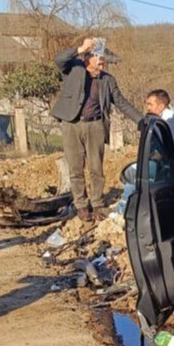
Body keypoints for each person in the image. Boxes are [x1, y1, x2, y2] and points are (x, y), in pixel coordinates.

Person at [51, 38, 143, 222]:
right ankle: (81, 205)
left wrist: (141, 121)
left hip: (95, 125)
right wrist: (81, 48)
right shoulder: (73, 69)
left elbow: (121, 103)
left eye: (103, 63)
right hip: (72, 124)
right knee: (75, 168)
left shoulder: (107, 80)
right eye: (99, 62)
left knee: (96, 168)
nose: (102, 66)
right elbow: (59, 59)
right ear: (88, 59)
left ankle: (97, 204)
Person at [144, 89, 174, 163]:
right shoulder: (161, 121)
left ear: (161, 106)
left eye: (150, 105)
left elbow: (165, 150)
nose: (148, 108)